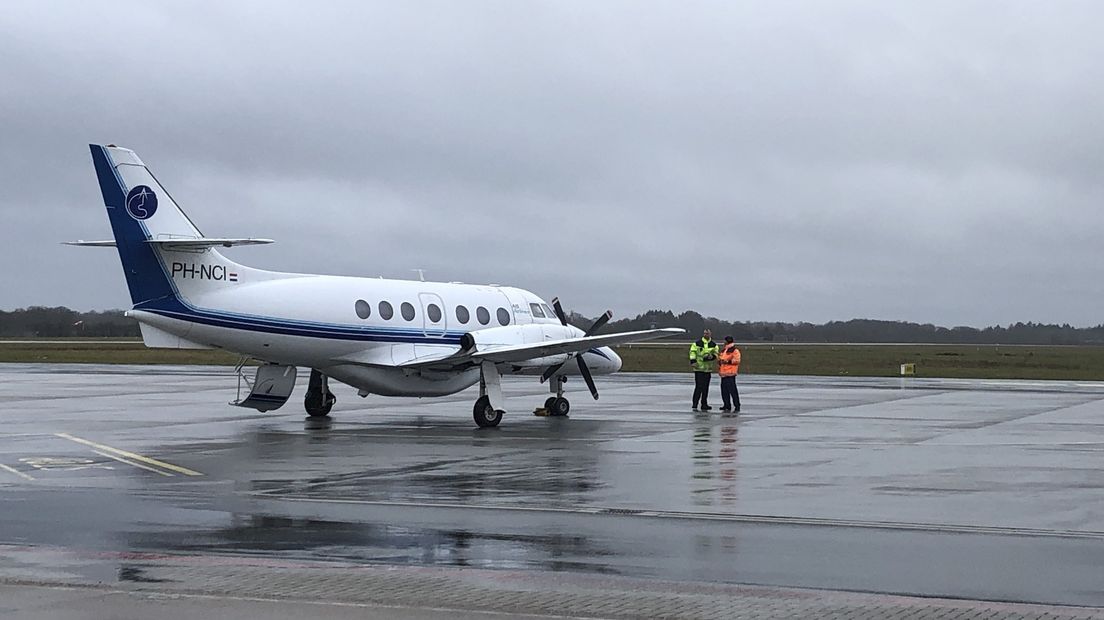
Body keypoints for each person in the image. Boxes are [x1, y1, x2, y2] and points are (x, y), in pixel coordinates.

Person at [689, 329, 719, 411]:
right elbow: (692, 352)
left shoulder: (714, 344)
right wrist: (693, 361)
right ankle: (695, 403)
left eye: (707, 333)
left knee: (706, 388)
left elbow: (716, 354)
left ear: (710, 334)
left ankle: (704, 404)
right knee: (698, 387)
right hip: (698, 368)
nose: (706, 335)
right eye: (705, 333)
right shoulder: (697, 343)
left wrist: (711, 357)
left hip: (707, 369)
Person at [718, 336, 741, 413]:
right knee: (724, 391)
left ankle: (737, 405)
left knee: (733, 391)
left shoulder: (735, 351)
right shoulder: (724, 350)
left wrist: (727, 362)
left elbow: (737, 360)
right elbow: (721, 358)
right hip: (723, 374)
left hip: (730, 374)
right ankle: (726, 405)